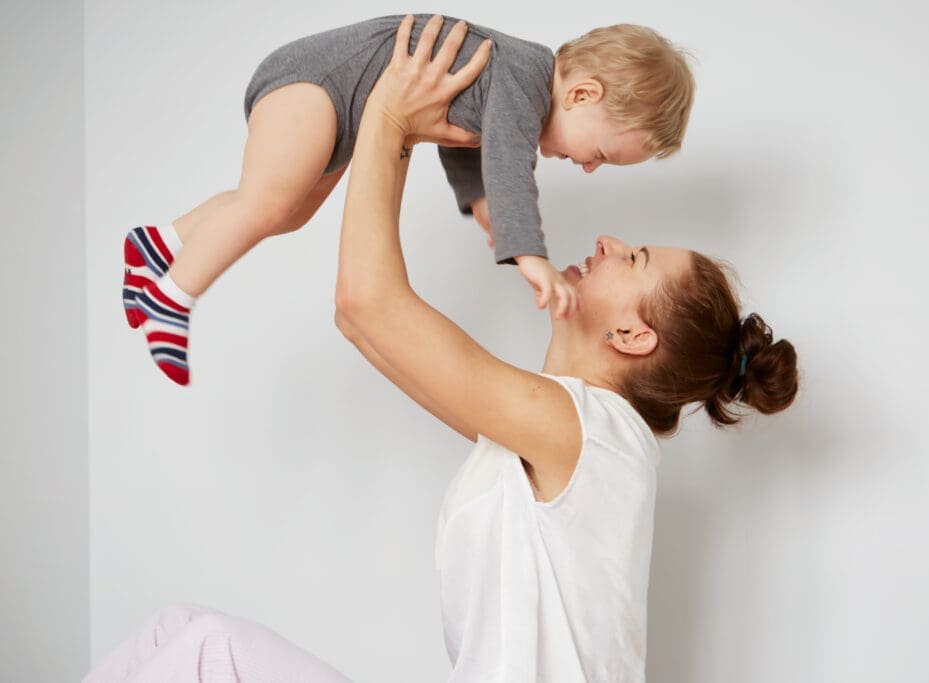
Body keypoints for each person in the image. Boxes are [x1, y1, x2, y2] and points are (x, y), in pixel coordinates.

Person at [89, 20, 796, 682]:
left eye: (635, 257)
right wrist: (405, 135)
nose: (608, 240)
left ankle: (166, 271)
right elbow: (365, 319)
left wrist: (389, 119)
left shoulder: (593, 436)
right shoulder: (547, 432)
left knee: (207, 653)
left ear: (633, 337)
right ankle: (164, 265)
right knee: (177, 630)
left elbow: (366, 303)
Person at [122, 14, 696, 385]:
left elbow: (463, 134)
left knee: (287, 213)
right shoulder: (526, 78)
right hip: (319, 84)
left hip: (338, 105)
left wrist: (477, 200)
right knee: (267, 204)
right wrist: (530, 252)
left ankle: (160, 243)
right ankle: (170, 296)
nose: (590, 167)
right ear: (581, 93)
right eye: (600, 152)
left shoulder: (516, 85)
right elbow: (507, 161)